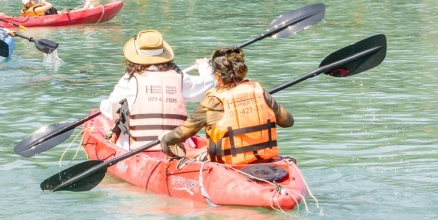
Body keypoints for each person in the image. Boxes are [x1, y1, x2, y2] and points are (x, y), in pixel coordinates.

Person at [160, 46, 294, 164]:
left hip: (230, 164)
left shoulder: (212, 102)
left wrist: (165, 140)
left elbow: (183, 133)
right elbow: (288, 122)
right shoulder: (260, 92)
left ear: (218, 75)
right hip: (264, 159)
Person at [99, 30, 215, 150]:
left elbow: (110, 110)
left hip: (139, 148)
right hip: (178, 148)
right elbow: (210, 83)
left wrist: (105, 106)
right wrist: (203, 66)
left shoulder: (129, 80)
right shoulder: (180, 77)